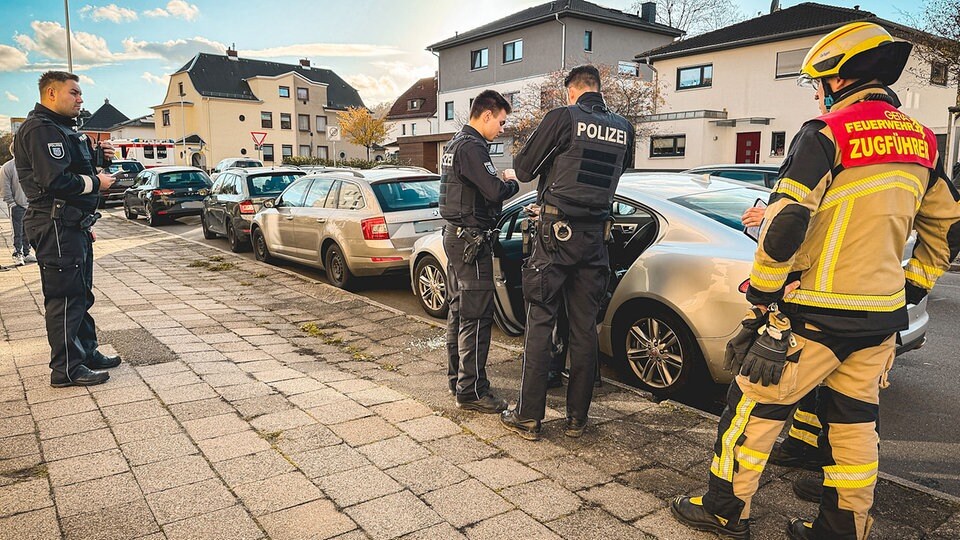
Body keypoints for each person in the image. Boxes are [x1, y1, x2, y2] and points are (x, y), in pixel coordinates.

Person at [670, 23, 960, 540]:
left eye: (816, 82)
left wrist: (762, 295)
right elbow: (949, 227)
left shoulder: (827, 132)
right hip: (878, 320)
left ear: (837, 78)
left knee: (751, 411)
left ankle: (722, 509)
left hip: (814, 313)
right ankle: (843, 528)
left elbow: (784, 225)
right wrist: (912, 287)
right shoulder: (920, 140)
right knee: (855, 427)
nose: (815, 92)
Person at [501, 65, 634, 441]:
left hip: (556, 236)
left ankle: (528, 417)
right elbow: (617, 172)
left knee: (540, 319)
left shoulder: (563, 117)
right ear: (598, 89)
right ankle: (577, 419)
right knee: (583, 329)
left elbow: (524, 168)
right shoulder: (624, 127)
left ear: (572, 91)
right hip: (595, 240)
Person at [15, 71, 123, 388]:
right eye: (74, 93)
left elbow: (73, 169)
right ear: (51, 93)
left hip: (71, 223)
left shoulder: (62, 129)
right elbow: (55, 181)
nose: (80, 99)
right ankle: (66, 369)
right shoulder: (40, 129)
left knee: (81, 293)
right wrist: (97, 182)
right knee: (65, 297)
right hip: (55, 224)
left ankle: (86, 352)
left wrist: (97, 159)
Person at [440, 89, 519, 413]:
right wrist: (510, 181)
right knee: (476, 315)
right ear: (486, 115)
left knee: (460, 311)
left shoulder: (455, 143)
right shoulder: (473, 147)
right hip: (470, 242)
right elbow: (494, 191)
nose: (501, 129)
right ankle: (471, 390)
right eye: (500, 122)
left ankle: (458, 379)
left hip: (456, 238)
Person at [1, 141, 36, 266]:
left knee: (28, 230)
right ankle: (17, 253)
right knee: (17, 231)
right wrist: (11, 203)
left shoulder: (30, 165)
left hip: (31, 204)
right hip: (17, 204)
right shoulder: (8, 167)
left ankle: (26, 253)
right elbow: (5, 187)